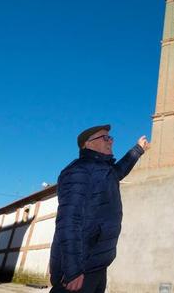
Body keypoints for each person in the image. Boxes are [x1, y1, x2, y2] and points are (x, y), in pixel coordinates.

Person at [49, 124, 150, 292]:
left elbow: (120, 170)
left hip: (97, 264)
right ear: (88, 144)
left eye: (110, 137)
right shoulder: (78, 170)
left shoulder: (104, 171)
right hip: (79, 269)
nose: (111, 140)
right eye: (105, 137)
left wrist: (138, 149)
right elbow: (68, 221)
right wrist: (73, 270)